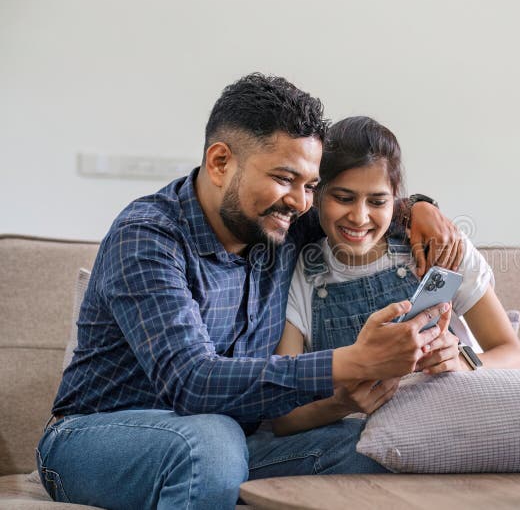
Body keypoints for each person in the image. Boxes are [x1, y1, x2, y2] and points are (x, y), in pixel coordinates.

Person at [37, 74, 463, 510]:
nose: (301, 202)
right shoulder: (148, 237)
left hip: (233, 441)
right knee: (208, 440)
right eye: (284, 178)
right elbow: (192, 382)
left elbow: (364, 208)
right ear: (221, 162)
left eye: (310, 186)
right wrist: (353, 361)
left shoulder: (283, 220)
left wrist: (420, 208)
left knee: (381, 445)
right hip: (95, 441)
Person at [271, 116, 520, 435]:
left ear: (396, 199)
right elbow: (282, 417)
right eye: (343, 197)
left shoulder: (441, 248)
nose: (360, 216)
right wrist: (341, 403)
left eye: (377, 201)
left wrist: (463, 362)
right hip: (357, 442)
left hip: (453, 428)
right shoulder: (303, 274)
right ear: (317, 195)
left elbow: (514, 355)